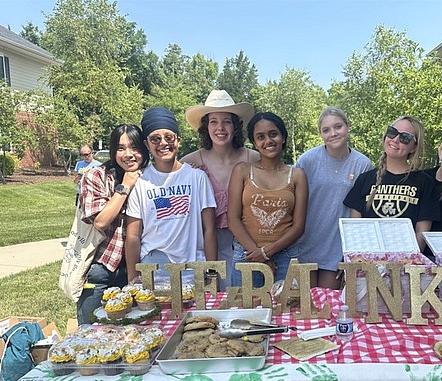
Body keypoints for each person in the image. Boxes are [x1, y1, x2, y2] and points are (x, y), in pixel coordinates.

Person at [125, 107, 217, 285]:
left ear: (178, 140)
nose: (163, 143)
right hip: (154, 267)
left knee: (197, 314)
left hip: (193, 267)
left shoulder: (197, 178)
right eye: (155, 139)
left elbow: (210, 230)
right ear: (146, 144)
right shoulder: (141, 182)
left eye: (169, 137)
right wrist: (132, 277)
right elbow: (133, 235)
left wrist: (212, 273)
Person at [181, 90, 258, 289]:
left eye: (227, 121)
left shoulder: (254, 159)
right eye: (213, 121)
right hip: (209, 246)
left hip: (249, 245)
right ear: (206, 127)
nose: (220, 128)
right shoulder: (189, 163)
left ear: (235, 126)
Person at [227, 111, 308, 287]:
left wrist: (266, 253)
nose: (268, 141)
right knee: (244, 312)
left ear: (283, 137)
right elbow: (232, 219)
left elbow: (299, 226)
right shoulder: (242, 170)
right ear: (255, 143)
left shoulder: (297, 175)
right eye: (260, 137)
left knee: (287, 312)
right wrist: (258, 254)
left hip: (285, 257)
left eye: (273, 134)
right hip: (246, 255)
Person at [76, 125, 147, 324]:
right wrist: (125, 186)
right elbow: (100, 221)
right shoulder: (95, 176)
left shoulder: (150, 177)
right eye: (121, 148)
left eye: (134, 147)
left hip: (137, 270)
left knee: (132, 336)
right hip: (100, 268)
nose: (128, 154)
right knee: (90, 333)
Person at [296, 107, 373, 289]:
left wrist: (353, 254)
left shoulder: (363, 164)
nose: (333, 133)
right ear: (321, 134)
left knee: (329, 303)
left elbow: (363, 212)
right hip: (307, 241)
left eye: (338, 127)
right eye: (326, 130)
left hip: (337, 246)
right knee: (305, 304)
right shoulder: (307, 161)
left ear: (348, 127)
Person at [344, 116, 440, 252]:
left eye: (405, 138)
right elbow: (355, 229)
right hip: (368, 261)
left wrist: (410, 263)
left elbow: (422, 233)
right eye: (392, 132)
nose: (395, 140)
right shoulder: (365, 179)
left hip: (406, 264)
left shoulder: (424, 182)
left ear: (414, 147)